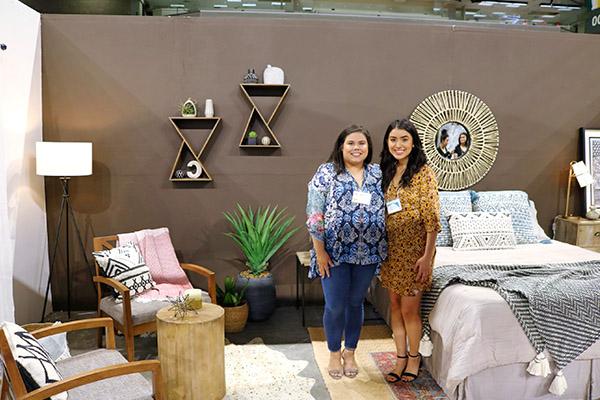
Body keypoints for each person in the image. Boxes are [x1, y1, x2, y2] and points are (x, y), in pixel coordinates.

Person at [306, 125, 387, 380]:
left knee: (355, 303)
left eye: (361, 143)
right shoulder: (327, 172)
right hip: (334, 252)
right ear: (341, 146)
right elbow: (314, 214)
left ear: (368, 148)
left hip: (369, 252)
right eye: (351, 143)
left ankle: (350, 351)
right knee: (335, 305)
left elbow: (392, 203)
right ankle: (333, 352)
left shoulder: (377, 173)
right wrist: (320, 252)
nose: (356, 148)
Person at [379, 119, 440, 383]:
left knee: (409, 309)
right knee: (394, 304)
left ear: (413, 142)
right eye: (393, 139)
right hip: (391, 251)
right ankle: (400, 357)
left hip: (415, 252)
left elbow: (432, 217)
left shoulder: (423, 172)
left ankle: (414, 359)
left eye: (404, 139)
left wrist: (427, 257)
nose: (398, 144)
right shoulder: (387, 170)